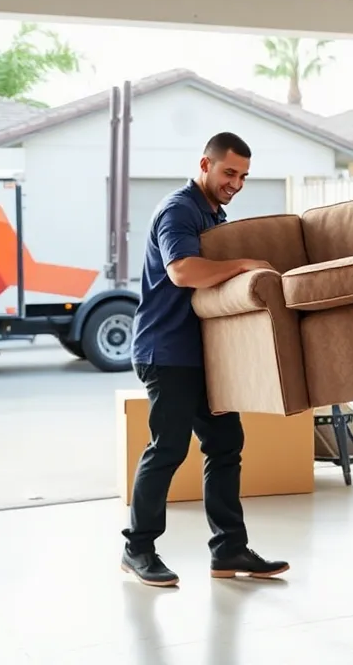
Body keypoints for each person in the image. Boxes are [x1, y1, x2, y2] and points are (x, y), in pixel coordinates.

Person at [120, 131, 289, 588]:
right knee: (169, 448)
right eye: (229, 172)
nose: (236, 182)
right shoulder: (179, 209)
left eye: (244, 176)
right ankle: (137, 548)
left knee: (225, 443)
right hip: (167, 351)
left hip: (202, 356)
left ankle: (229, 549)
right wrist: (242, 265)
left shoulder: (213, 213)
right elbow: (183, 271)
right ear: (205, 164)